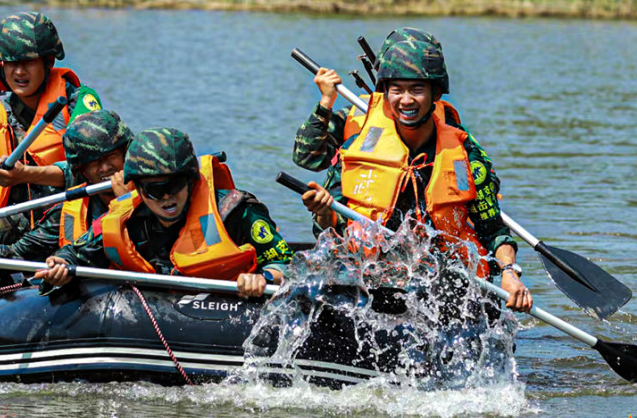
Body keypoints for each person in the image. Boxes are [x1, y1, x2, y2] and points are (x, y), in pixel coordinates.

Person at [298, 30, 533, 313]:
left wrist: (510, 273)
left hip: (442, 282)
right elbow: (328, 229)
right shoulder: (358, 148)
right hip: (373, 280)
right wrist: (323, 211)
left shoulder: (465, 154)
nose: (406, 100)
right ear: (385, 93)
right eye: (396, 89)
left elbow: (493, 230)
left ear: (436, 93)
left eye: (417, 90)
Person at [0, 110, 131, 340]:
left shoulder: (156, 194)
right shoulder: (68, 213)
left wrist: (125, 203)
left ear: (126, 154)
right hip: (89, 301)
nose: (104, 169)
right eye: (93, 163)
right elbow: (14, 260)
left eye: (110, 157)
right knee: (0, 276)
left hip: (145, 297)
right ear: (82, 172)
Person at [35, 128, 292, 298]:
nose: (167, 197)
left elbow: (289, 263)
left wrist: (265, 277)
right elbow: (74, 253)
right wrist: (60, 265)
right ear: (137, 189)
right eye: (155, 191)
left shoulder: (235, 210)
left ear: (191, 180)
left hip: (228, 303)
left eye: (173, 186)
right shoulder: (124, 219)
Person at [0, 11, 102, 251]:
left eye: (29, 62)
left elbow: (97, 173)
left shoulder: (77, 105)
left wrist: (26, 174)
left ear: (49, 62)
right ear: (0, 66)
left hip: (71, 212)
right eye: (11, 63)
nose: (19, 72)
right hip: (14, 216)